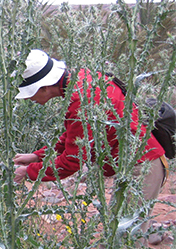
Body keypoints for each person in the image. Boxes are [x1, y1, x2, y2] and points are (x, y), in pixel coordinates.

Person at [12, 49, 167, 238]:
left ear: (44, 87)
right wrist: (37, 155)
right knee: (122, 232)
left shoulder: (80, 100)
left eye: (30, 93)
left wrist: (28, 172)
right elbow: (75, 135)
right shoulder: (83, 79)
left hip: (142, 168)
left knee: (122, 239)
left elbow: (71, 161)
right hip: (137, 162)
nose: (30, 99)